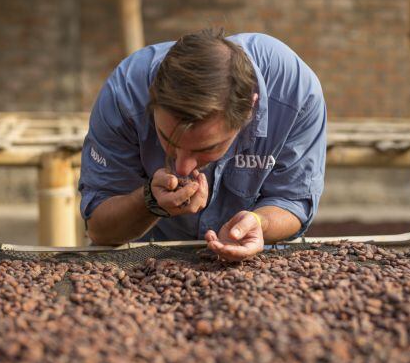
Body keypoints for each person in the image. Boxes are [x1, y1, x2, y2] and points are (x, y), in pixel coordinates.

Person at [78, 29, 326, 261]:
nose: (183, 168)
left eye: (206, 148)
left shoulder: (296, 94)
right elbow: (100, 229)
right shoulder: (125, 95)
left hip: (253, 262)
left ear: (250, 110)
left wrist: (258, 222)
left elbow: (293, 201)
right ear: (151, 97)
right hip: (140, 260)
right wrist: (149, 202)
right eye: (168, 140)